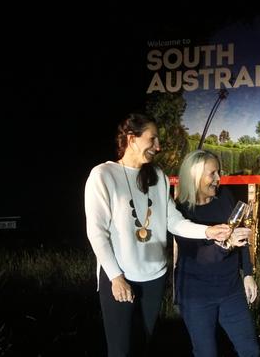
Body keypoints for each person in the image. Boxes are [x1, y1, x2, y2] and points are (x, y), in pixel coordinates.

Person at [84, 113, 233, 357]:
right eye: (152, 139)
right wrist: (116, 276)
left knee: (143, 346)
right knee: (120, 350)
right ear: (132, 139)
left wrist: (207, 231)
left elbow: (174, 221)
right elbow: (96, 232)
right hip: (120, 277)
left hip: (154, 277)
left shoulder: (159, 177)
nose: (158, 147)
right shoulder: (103, 175)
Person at [174, 149, 260, 357]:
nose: (218, 178)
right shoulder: (181, 212)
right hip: (197, 295)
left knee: (250, 351)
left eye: (218, 172)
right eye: (212, 173)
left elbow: (240, 238)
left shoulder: (225, 197)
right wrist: (226, 243)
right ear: (194, 176)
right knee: (206, 353)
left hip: (231, 290)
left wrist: (247, 274)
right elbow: (201, 257)